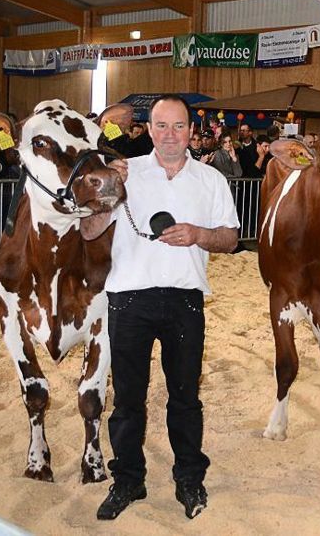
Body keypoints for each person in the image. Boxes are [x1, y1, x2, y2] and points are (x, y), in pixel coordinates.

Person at [96, 94, 239, 521]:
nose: (170, 135)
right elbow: (88, 231)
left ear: (191, 130)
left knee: (184, 398)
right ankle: (127, 480)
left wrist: (198, 234)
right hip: (128, 298)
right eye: (161, 126)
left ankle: (189, 478)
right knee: (127, 400)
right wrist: (107, 187)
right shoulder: (125, 172)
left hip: (184, 299)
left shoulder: (211, 179)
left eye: (178, 126)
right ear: (149, 128)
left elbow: (231, 239)